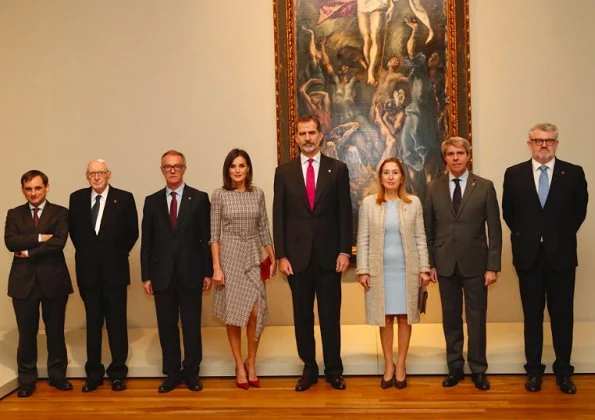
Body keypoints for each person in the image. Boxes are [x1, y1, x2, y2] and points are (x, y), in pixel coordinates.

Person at [502, 123, 588, 394]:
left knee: (562, 316)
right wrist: (531, 237)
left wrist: (555, 236)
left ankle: (563, 371)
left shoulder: (572, 173)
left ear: (556, 143)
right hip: (529, 258)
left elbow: (579, 212)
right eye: (538, 140)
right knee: (531, 317)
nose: (543, 145)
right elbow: (509, 213)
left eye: (549, 141)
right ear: (529, 143)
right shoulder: (514, 174)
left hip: (561, 256)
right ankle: (534, 372)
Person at [273, 115, 353, 392]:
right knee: (302, 316)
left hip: (330, 257)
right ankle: (309, 368)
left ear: (321, 136)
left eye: (311, 133)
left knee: (330, 316)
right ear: (295, 138)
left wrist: (345, 251)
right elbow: (279, 216)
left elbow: (345, 214)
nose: (307, 138)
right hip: (296, 259)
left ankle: (334, 369)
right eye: (301, 134)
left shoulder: (338, 169)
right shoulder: (283, 173)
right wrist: (281, 255)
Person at [424, 137, 502, 391]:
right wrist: (431, 263)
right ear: (444, 157)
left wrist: (493, 266)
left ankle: (478, 369)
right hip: (444, 264)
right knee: (451, 318)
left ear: (469, 156)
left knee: (477, 318)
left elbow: (495, 230)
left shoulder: (485, 187)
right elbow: (428, 229)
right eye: (450, 154)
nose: (456, 158)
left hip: (477, 265)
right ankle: (455, 367)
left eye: (460, 153)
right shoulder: (433, 187)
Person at [140, 150, 213, 393]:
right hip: (161, 276)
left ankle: (192, 373)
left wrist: (208, 272)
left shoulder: (200, 199)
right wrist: (146, 276)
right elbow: (147, 243)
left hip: (191, 273)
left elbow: (206, 238)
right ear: (162, 170)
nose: (172, 170)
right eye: (168, 166)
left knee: (192, 326)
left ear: (184, 168)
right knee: (167, 327)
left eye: (177, 166)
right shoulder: (151, 201)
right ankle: (172, 374)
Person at [356, 157, 431, 389]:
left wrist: (424, 268)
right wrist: (363, 269)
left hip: (406, 270)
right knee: (385, 318)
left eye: (395, 172)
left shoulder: (414, 203)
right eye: (386, 173)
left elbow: (420, 237)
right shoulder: (369, 204)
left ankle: (401, 365)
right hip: (380, 272)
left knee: (405, 317)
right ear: (380, 177)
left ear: (401, 177)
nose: (390, 176)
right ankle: (388, 365)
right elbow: (363, 238)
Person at [68, 159, 139, 392]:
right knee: (93, 325)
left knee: (117, 325)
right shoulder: (76, 199)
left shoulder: (124, 198)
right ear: (86, 176)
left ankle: (118, 373)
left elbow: (132, 233)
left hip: (115, 272)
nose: (96, 177)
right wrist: (92, 255)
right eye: (92, 173)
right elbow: (76, 234)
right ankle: (94, 374)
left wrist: (114, 255)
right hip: (88, 273)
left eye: (100, 173)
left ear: (109, 174)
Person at [210, 149, 276, 389]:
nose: (237, 170)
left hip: (252, 256)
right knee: (234, 314)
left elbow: (264, 226)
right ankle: (239, 364)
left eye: (242, 165)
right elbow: (214, 234)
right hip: (229, 256)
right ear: (228, 170)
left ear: (248, 168)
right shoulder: (219, 195)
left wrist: (272, 254)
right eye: (233, 166)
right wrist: (217, 267)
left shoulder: (257, 193)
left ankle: (252, 362)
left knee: (256, 312)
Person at [4, 170, 73, 397]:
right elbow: (10, 242)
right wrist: (40, 237)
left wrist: (27, 251)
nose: (33, 193)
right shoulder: (14, 214)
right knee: (26, 334)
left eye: (37, 188)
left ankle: (57, 376)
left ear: (46, 187)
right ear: (23, 190)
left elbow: (59, 242)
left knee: (55, 332)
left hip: (54, 280)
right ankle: (27, 380)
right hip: (23, 283)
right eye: (28, 189)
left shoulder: (61, 213)